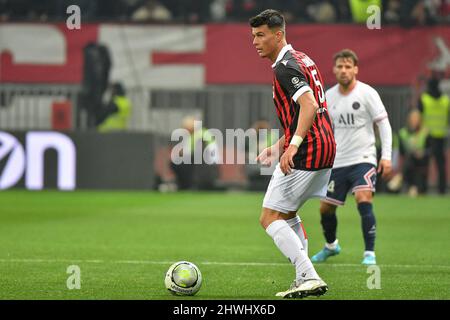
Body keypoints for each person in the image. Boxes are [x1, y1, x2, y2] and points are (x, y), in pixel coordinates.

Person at [250, 9, 336, 298]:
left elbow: (309, 106)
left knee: (269, 216)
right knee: (287, 214)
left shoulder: (284, 67)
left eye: (261, 35)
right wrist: (279, 145)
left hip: (308, 149)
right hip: (325, 146)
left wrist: (294, 145)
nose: (255, 41)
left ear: (278, 35)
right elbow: (306, 110)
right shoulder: (304, 60)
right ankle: (304, 277)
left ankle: (309, 275)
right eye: (253, 36)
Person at [310, 49, 392, 266]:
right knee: (325, 208)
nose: (344, 70)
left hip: (363, 158)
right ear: (334, 69)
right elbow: (323, 129)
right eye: (340, 66)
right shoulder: (328, 96)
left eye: (348, 66)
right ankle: (331, 246)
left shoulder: (368, 93)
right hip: (337, 161)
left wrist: (386, 157)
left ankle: (369, 253)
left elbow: (383, 124)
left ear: (355, 69)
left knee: (363, 198)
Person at [418, 76, 449, 194]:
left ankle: (423, 188)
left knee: (424, 163)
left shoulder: (424, 99)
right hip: (441, 136)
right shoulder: (446, 100)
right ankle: (442, 189)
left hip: (427, 136)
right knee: (441, 165)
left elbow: (418, 117)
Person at [398, 109, 430, 196]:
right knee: (411, 157)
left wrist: (422, 153)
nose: (414, 121)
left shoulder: (425, 132)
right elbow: (402, 152)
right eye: (413, 119)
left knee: (413, 159)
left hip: (421, 160)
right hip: (409, 161)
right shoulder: (403, 133)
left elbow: (430, 150)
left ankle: (401, 177)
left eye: (416, 119)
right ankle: (414, 187)